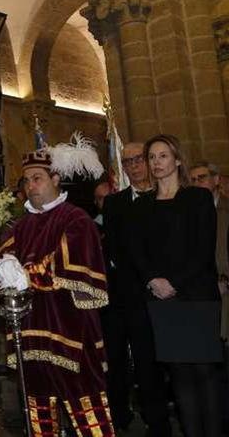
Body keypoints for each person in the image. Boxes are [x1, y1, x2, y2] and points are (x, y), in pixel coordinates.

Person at [0, 150, 114, 436]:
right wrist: (4, 267)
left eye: (38, 178)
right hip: (31, 330)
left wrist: (25, 274)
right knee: (39, 408)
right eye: (26, 181)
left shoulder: (76, 219)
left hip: (70, 330)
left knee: (86, 404)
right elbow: (2, 260)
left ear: (56, 179)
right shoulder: (21, 225)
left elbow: (67, 265)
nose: (30, 186)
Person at [131, 135, 224, 437]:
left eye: (163, 156)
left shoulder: (197, 198)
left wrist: (174, 283)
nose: (156, 162)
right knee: (180, 375)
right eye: (152, 157)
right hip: (161, 300)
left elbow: (203, 250)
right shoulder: (143, 205)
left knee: (205, 374)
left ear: (177, 160)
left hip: (197, 296)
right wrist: (152, 281)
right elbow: (137, 251)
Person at [100, 142, 172, 435]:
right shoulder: (114, 203)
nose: (133, 166)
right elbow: (114, 249)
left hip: (156, 297)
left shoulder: (165, 196)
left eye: (138, 159)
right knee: (115, 363)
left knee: (150, 364)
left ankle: (158, 422)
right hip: (119, 298)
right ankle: (119, 418)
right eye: (127, 161)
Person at [189, 162, 229, 340]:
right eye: (193, 180)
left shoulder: (226, 209)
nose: (197, 183)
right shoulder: (187, 214)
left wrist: (225, 280)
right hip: (199, 289)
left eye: (202, 178)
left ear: (217, 179)